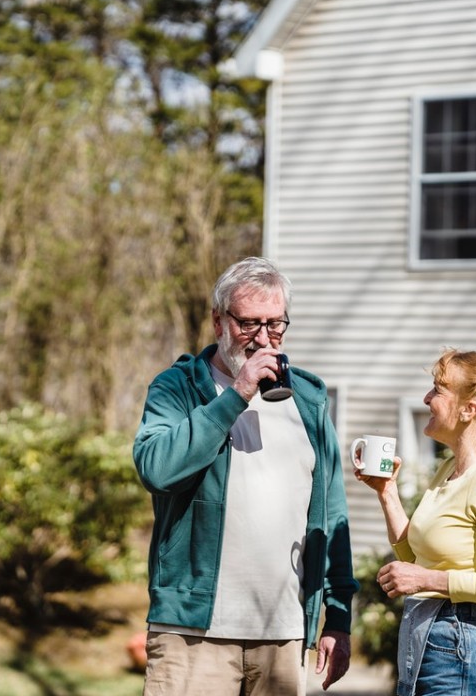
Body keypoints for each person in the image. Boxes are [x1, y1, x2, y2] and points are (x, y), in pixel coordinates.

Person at [132, 257, 357, 695]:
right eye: (249, 324)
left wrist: (339, 616)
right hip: (192, 632)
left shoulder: (308, 398)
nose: (262, 338)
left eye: (275, 325)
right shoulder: (177, 388)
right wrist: (236, 395)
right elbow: (157, 469)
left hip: (284, 631)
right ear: (218, 321)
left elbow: (331, 514)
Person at [356, 349, 476, 696]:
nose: (426, 398)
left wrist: (424, 579)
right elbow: (416, 558)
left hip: (466, 649)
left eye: (437, 390)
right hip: (434, 639)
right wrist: (387, 492)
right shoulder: (450, 469)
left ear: (468, 409)